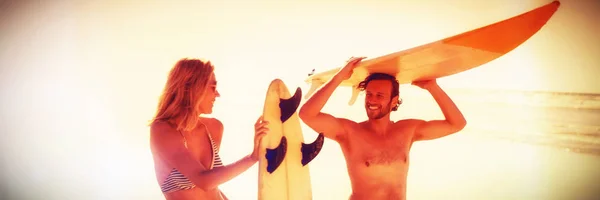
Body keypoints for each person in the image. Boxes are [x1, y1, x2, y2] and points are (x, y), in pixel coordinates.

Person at [298, 57, 467, 200]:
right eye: (369, 94)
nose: (372, 100)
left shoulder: (408, 130)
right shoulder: (349, 132)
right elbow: (307, 114)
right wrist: (340, 76)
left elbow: (457, 124)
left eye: (380, 96)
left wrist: (432, 87)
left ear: (394, 101)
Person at [148, 58, 269, 200]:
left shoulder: (214, 128)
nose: (217, 94)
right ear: (193, 88)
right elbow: (204, 181)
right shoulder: (163, 130)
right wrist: (252, 157)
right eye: (212, 87)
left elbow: (214, 185)